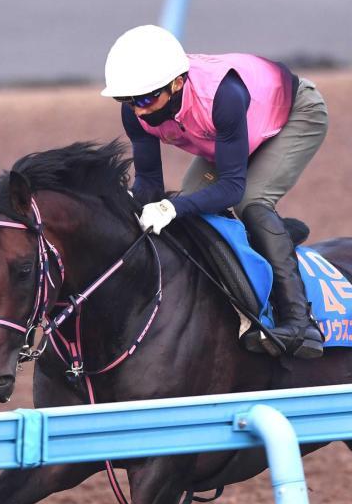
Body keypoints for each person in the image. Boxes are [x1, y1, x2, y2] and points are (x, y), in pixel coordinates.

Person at [102, 25, 328, 359]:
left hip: (296, 115)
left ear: (177, 82)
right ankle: (266, 240)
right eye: (127, 100)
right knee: (190, 215)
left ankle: (300, 322)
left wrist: (172, 208)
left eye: (147, 99)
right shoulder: (136, 111)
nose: (138, 110)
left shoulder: (224, 96)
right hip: (236, 133)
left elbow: (232, 189)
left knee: (251, 201)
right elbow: (149, 184)